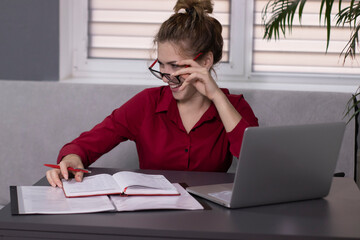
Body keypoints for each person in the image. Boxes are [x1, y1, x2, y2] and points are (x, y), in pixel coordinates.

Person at [46, 0, 259, 188]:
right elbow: (88, 142)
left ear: (205, 61)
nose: (166, 77)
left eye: (176, 67)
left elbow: (258, 164)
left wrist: (217, 97)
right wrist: (73, 157)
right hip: (154, 216)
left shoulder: (234, 107)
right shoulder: (147, 103)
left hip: (210, 218)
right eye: (162, 66)